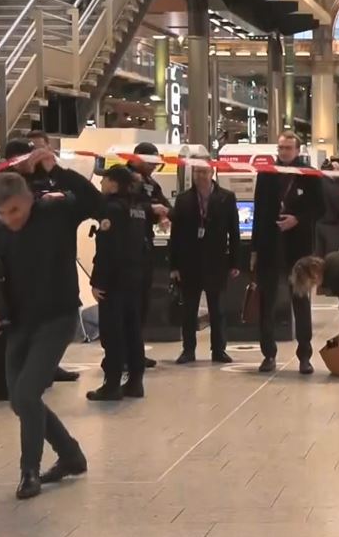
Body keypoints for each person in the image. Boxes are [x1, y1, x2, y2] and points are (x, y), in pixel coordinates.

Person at [0, 151, 104, 499]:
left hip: (58, 317)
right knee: (20, 401)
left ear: (28, 201)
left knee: (25, 393)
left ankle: (29, 472)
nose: (9, 220)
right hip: (19, 322)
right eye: (2, 214)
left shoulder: (56, 212)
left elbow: (96, 203)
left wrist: (59, 171)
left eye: (15, 211)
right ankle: (70, 455)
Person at [0, 139, 79, 400]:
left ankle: (39, 374)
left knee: (28, 392)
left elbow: (69, 202)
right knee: (8, 341)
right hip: (10, 273)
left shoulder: (36, 182)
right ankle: (3, 381)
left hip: (43, 281)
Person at [250, 132, 323, 374]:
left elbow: (320, 209)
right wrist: (254, 249)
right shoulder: (267, 175)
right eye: (281, 148)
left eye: (288, 148)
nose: (284, 152)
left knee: (300, 302)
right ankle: (268, 354)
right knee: (267, 304)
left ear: (298, 150)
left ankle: (304, 355)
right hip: (270, 247)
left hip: (298, 249)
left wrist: (298, 220)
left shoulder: (309, 175)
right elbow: (258, 213)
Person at [85, 165, 151, 401]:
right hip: (135, 278)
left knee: (113, 333)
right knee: (133, 331)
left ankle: (111, 384)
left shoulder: (111, 209)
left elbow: (107, 250)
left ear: (114, 183)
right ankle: (135, 381)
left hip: (114, 281)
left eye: (105, 181)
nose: (101, 185)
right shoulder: (138, 208)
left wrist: (97, 281)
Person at [168, 154, 240, 364]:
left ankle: (219, 349)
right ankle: (188, 349)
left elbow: (234, 232)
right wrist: (174, 265)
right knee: (189, 309)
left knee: (217, 309)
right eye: (197, 171)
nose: (200, 175)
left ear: (212, 171)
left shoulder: (226, 197)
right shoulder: (183, 199)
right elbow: (176, 235)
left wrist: (235, 262)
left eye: (204, 171)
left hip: (216, 261)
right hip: (189, 262)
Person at [129, 142, 172, 370]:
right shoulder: (124, 178)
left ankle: (136, 350)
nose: (154, 168)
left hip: (145, 247)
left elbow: (164, 204)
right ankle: (121, 353)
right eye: (151, 163)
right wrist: (150, 209)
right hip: (125, 249)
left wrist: (163, 214)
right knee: (127, 304)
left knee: (142, 302)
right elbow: (125, 205)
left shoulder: (150, 183)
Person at [316, 161, 339, 257]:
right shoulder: (334, 185)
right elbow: (337, 203)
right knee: (332, 255)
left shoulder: (319, 182)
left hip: (318, 222)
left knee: (319, 254)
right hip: (331, 223)